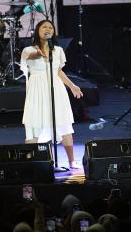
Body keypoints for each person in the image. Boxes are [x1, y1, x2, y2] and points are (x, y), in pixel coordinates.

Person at [20, 19, 84, 169]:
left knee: (64, 124)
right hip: (37, 90)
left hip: (56, 88)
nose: (47, 29)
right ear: (37, 30)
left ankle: (71, 161)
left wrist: (72, 86)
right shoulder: (28, 50)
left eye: (50, 27)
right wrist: (41, 52)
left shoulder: (58, 50)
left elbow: (59, 71)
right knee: (35, 123)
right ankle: (32, 162)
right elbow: (34, 56)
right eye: (44, 27)